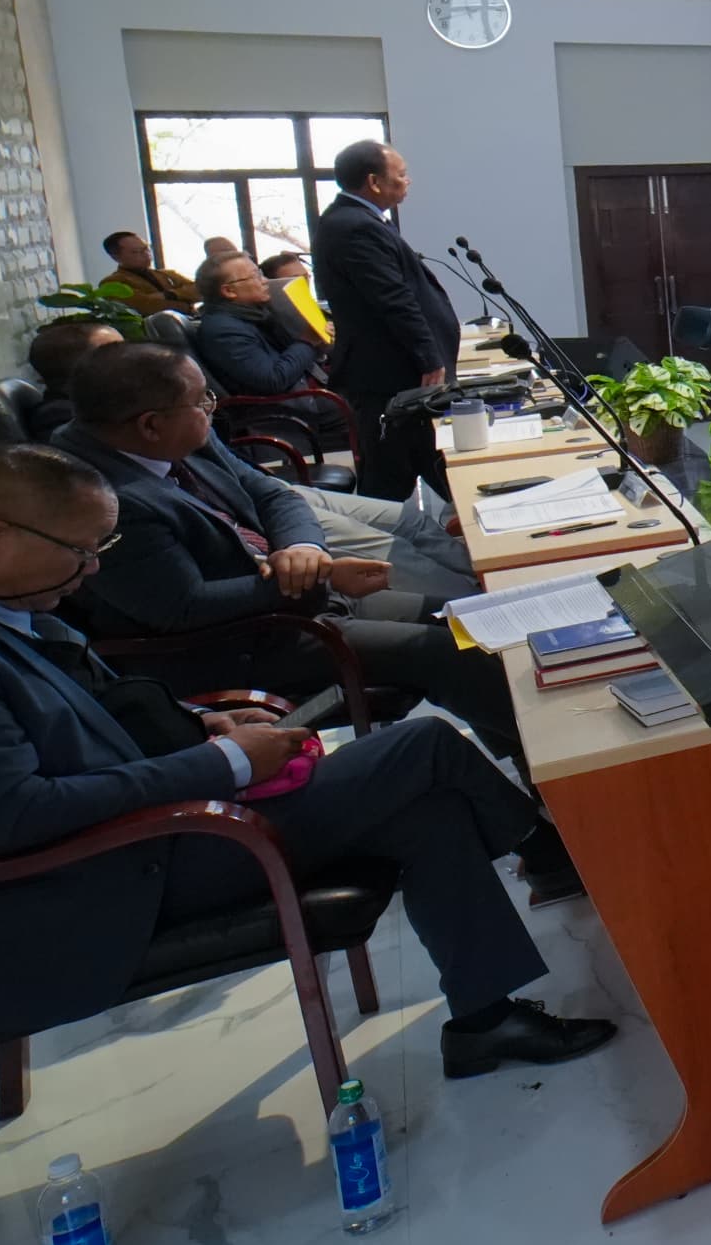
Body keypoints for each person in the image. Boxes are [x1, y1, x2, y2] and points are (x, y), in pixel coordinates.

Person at [0, 446, 617, 1074]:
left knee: (424, 803)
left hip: (131, 839)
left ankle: (486, 1016)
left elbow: (64, 725)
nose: (92, 573)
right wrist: (227, 766)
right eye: (83, 553)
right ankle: (571, 852)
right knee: (424, 745)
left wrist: (200, 724)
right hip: (86, 886)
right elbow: (12, 816)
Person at [43, 345, 579, 900]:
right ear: (151, 425)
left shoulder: (178, 443)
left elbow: (271, 492)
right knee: (448, 653)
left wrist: (301, 547)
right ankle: (545, 833)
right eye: (200, 400)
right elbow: (182, 608)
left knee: (467, 625)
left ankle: (549, 785)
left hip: (294, 605)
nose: (214, 406)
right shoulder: (101, 497)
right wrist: (301, 581)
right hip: (249, 641)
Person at [309, 140, 459, 499]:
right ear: (374, 182)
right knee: (390, 473)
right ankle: (387, 547)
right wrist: (428, 355)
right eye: (402, 175)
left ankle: (453, 533)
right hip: (388, 372)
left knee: (424, 458)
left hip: (393, 369)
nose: (408, 181)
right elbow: (391, 298)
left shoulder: (360, 220)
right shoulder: (355, 226)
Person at [189, 252, 326, 400]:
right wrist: (307, 342)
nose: (265, 281)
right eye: (256, 276)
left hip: (306, 389)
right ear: (229, 291)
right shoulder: (223, 331)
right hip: (287, 408)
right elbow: (273, 380)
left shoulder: (255, 314)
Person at [97, 230, 199, 317]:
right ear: (115, 257)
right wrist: (186, 305)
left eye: (146, 249)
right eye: (136, 251)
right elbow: (146, 307)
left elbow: (201, 289)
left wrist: (170, 295)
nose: (146, 254)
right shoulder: (112, 283)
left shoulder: (168, 274)